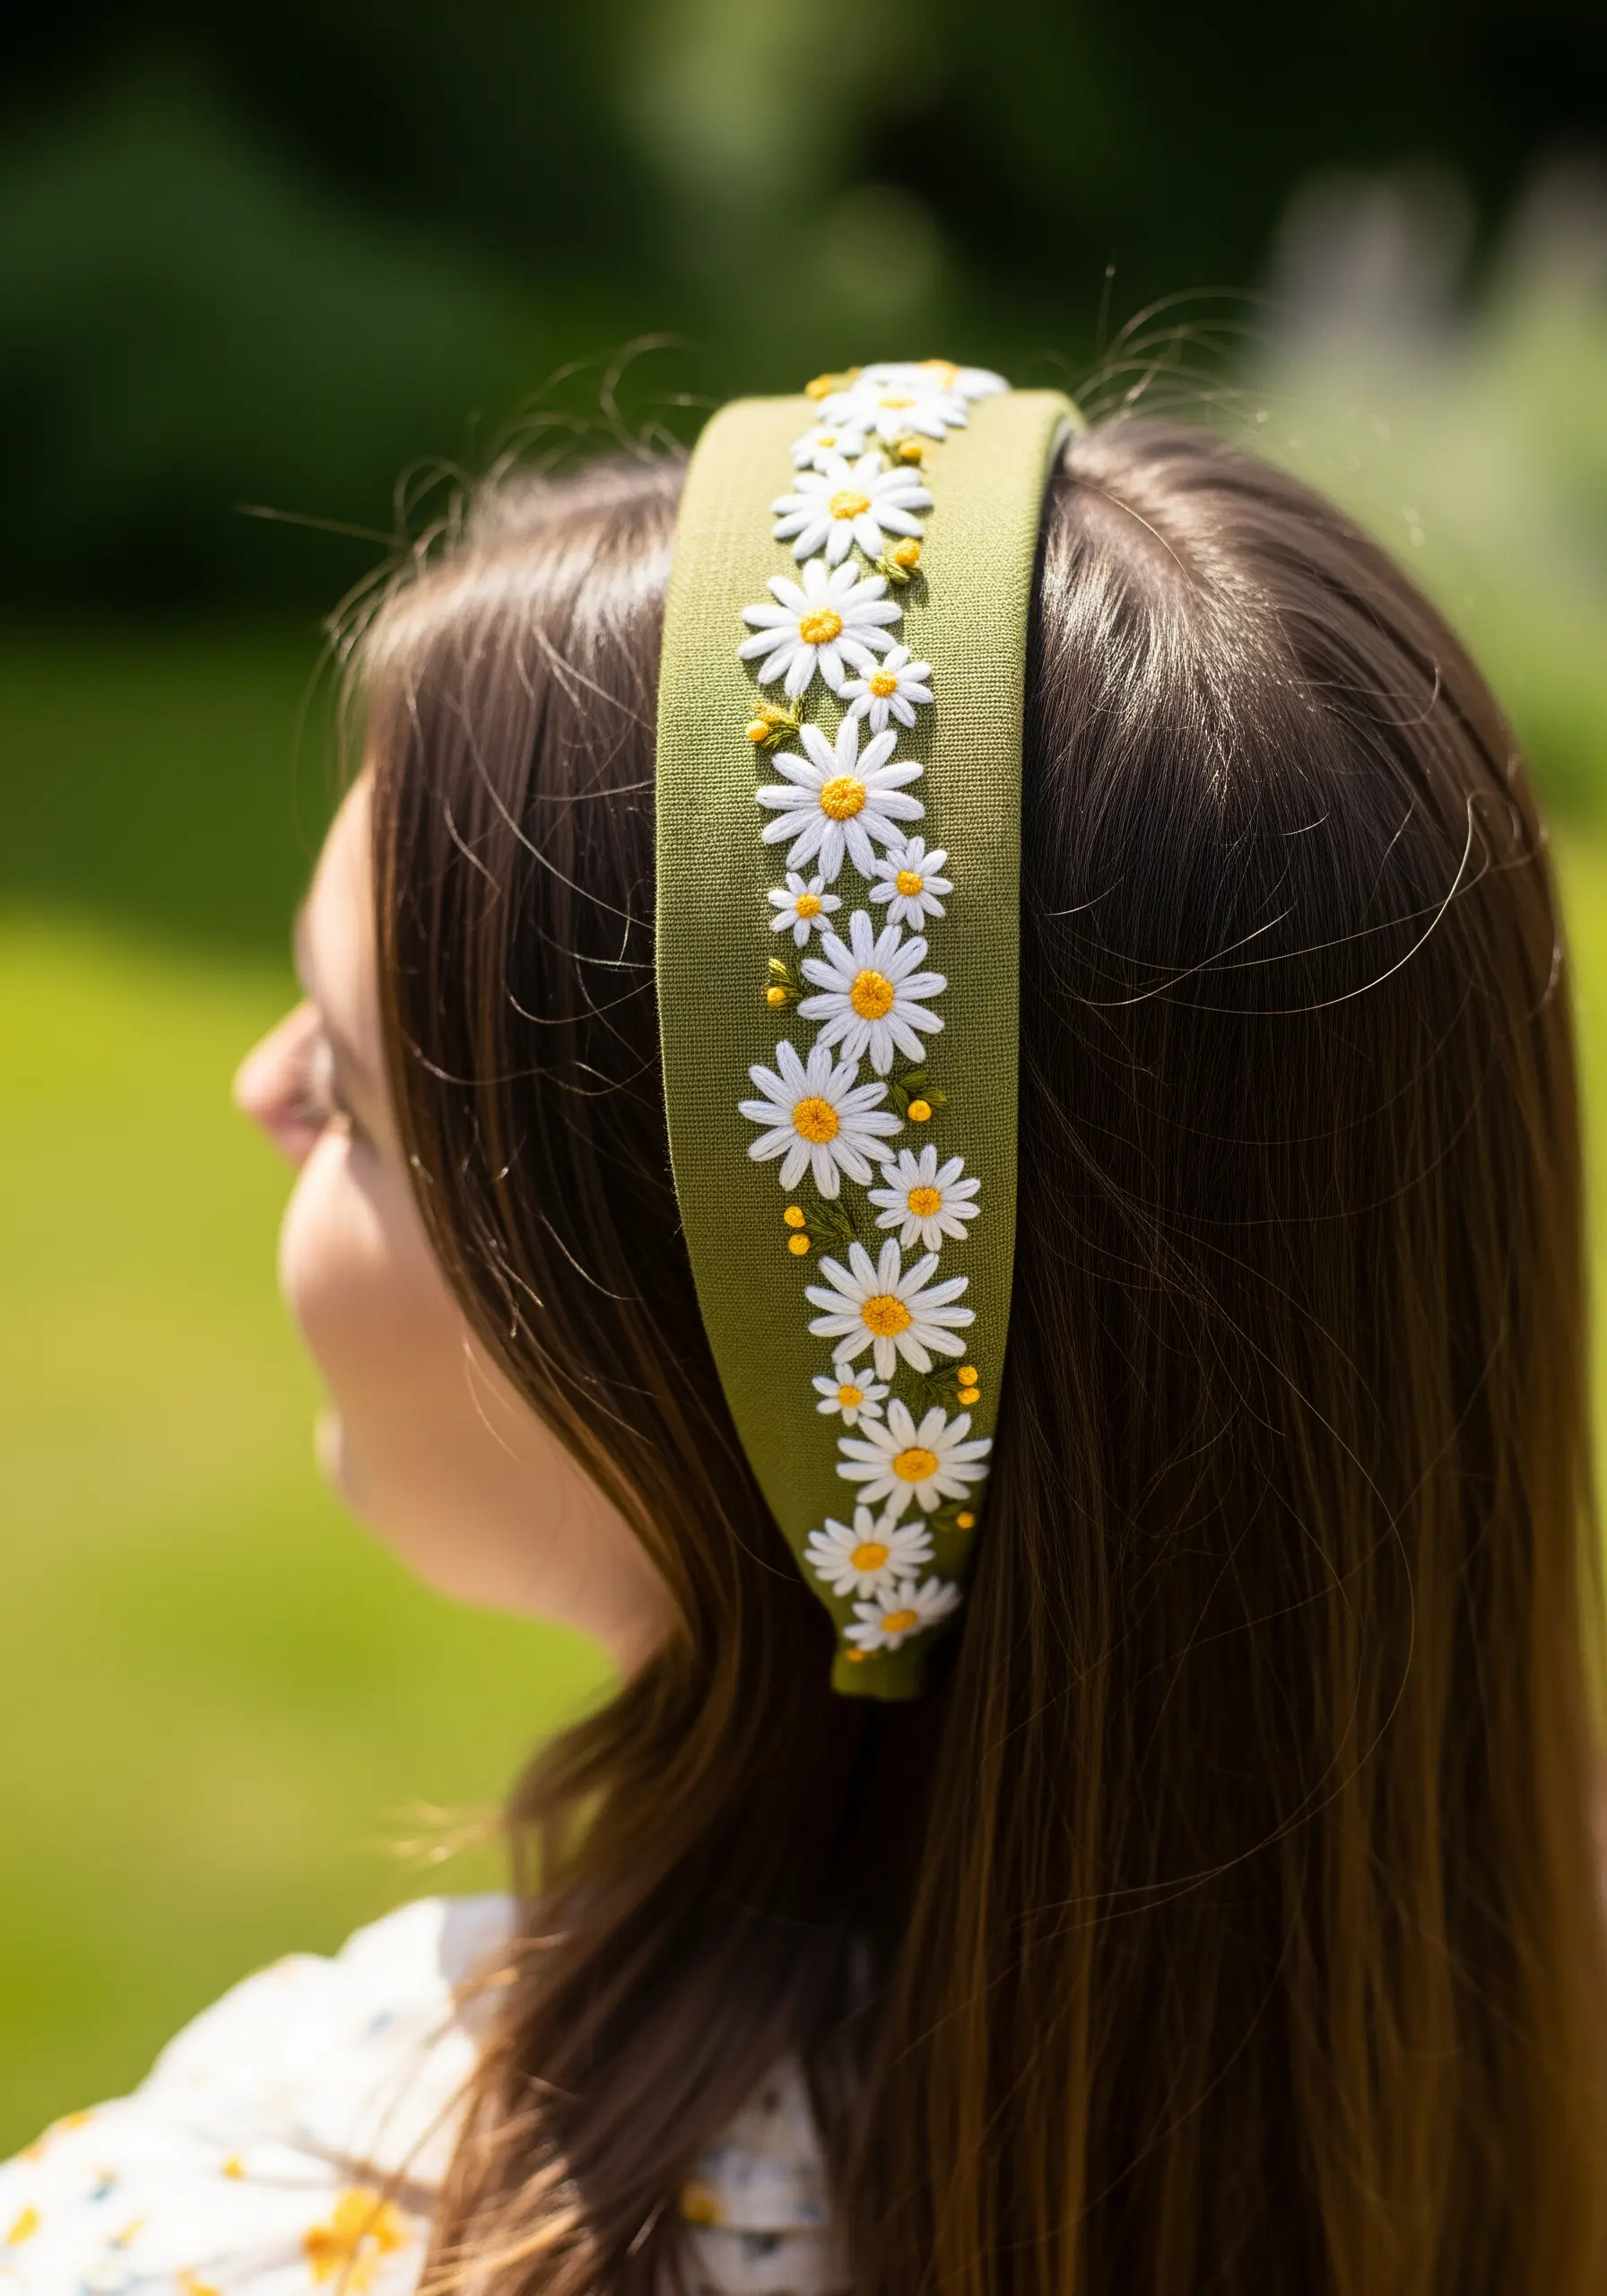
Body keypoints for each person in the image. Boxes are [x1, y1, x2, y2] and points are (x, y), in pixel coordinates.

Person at [4, 362, 1605, 2296]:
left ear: (667, 1350)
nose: (262, 1086)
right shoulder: (1510, 2047)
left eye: (354, 1092)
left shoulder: (303, 2208)